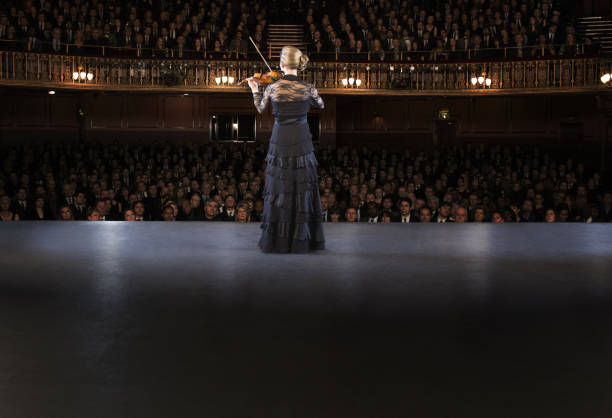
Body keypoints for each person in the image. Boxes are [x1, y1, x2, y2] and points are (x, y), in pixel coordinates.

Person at [248, 45, 325, 253]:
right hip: (301, 138)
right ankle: (303, 240)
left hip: (280, 138)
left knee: (280, 186)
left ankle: (278, 241)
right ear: (299, 65)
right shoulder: (308, 87)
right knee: (302, 186)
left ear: (282, 64)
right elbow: (321, 105)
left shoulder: (273, 88)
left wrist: (256, 90)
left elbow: (260, 108)